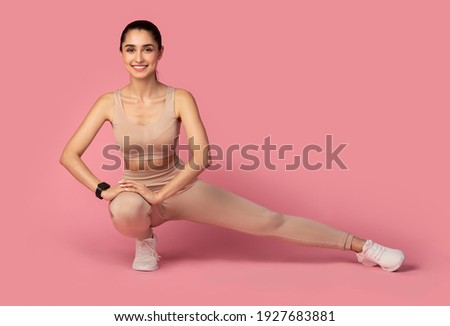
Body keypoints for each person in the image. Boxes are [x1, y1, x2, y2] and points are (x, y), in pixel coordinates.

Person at [60, 20, 405, 272]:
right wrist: (103, 189)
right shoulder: (108, 102)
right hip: (137, 193)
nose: (139, 57)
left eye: (147, 48)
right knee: (125, 210)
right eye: (130, 49)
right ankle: (145, 241)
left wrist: (161, 195)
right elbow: (69, 155)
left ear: (160, 52)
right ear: (121, 53)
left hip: (180, 187)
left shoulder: (180, 98)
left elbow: (202, 157)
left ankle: (363, 247)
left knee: (270, 221)